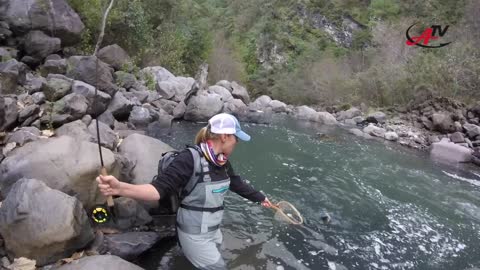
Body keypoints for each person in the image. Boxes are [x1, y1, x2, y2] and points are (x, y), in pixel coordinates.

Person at [97, 113, 273, 269]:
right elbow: (157, 190)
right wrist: (120, 187)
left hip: (213, 231)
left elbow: (236, 183)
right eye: (237, 138)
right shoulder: (188, 159)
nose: (237, 142)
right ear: (225, 136)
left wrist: (261, 198)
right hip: (194, 234)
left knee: (216, 256)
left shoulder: (222, 162)